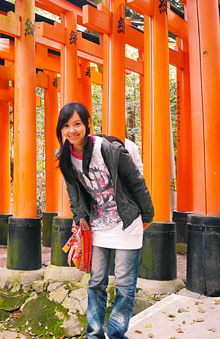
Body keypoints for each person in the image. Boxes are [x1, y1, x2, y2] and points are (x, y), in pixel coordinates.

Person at [56, 102, 154, 339]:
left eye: (77, 124)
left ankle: (117, 334)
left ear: (87, 124)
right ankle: (94, 334)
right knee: (96, 282)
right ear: (61, 129)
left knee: (124, 284)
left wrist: (148, 214)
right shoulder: (65, 157)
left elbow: (135, 181)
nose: (72, 130)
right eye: (66, 125)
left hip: (126, 221)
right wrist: (80, 219)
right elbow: (74, 193)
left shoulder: (107, 148)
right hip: (98, 225)